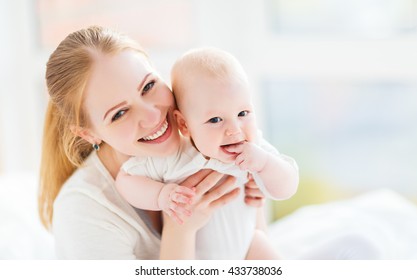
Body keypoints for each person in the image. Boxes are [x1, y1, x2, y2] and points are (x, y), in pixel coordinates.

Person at [38, 26, 261, 259]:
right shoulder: (83, 212)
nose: (153, 116)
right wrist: (179, 228)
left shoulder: (205, 132)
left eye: (148, 86)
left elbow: (252, 250)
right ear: (88, 134)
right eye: (119, 113)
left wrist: (252, 201)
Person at [115, 47, 299, 259]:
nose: (234, 130)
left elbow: (287, 186)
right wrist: (161, 196)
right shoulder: (175, 157)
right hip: (199, 258)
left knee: (264, 246)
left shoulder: (255, 150)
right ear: (184, 124)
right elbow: (126, 179)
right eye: (215, 120)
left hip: (249, 250)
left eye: (243, 113)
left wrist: (266, 164)